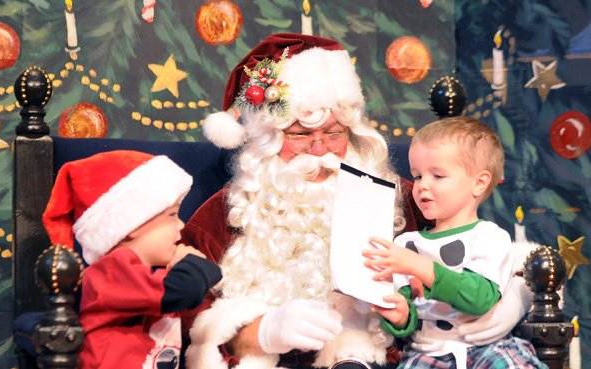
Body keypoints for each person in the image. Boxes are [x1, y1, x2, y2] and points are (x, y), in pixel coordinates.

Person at [180, 33, 535, 369]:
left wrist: (517, 295)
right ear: (266, 139)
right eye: (300, 135)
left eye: (334, 133)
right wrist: (259, 333)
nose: (319, 150)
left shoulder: (405, 197)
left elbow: (475, 247)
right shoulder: (225, 213)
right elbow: (179, 308)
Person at [363, 117, 547, 369]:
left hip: (487, 348)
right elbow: (410, 317)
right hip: (428, 352)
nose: (422, 185)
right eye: (416, 176)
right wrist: (401, 316)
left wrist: (420, 267)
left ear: (479, 183)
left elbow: (479, 298)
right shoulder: (407, 244)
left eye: (437, 175)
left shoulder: (488, 237)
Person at [42, 150, 222, 369]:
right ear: (131, 225)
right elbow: (185, 289)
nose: (181, 225)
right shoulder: (111, 272)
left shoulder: (142, 274)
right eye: (172, 215)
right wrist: (190, 262)